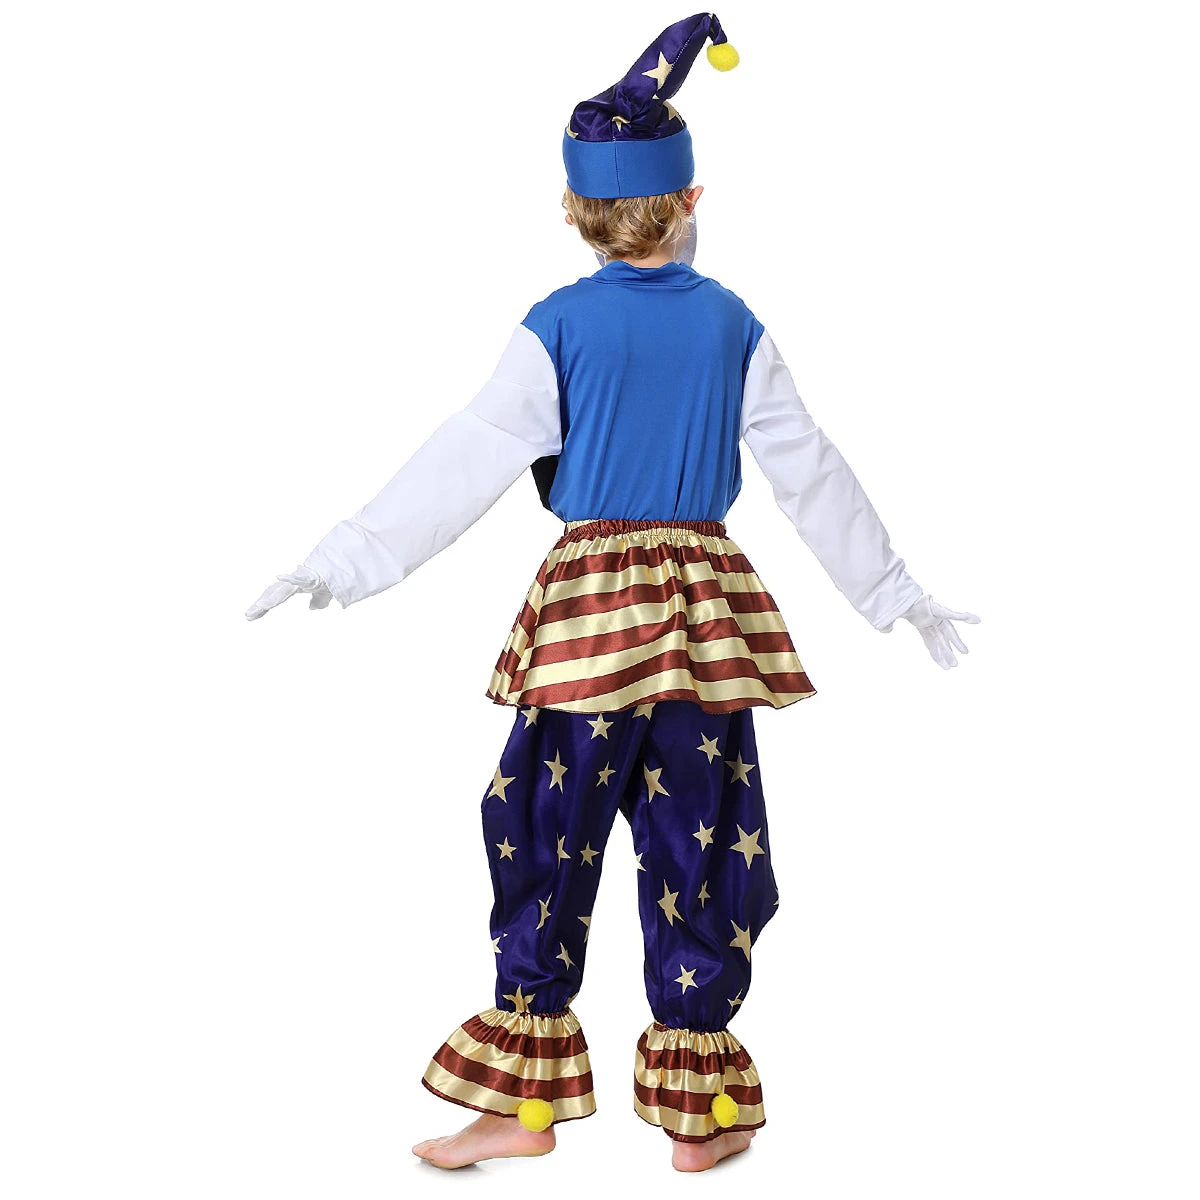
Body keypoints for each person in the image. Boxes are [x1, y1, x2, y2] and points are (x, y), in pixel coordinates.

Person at [245, 12, 979, 1174]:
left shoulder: (558, 325)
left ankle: (524, 1108)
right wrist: (893, 593)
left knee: (543, 832)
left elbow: (467, 455)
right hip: (703, 620)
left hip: (587, 618)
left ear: (575, 213)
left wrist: (347, 556)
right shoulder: (733, 324)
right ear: (691, 201)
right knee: (706, 839)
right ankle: (703, 1112)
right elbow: (809, 471)